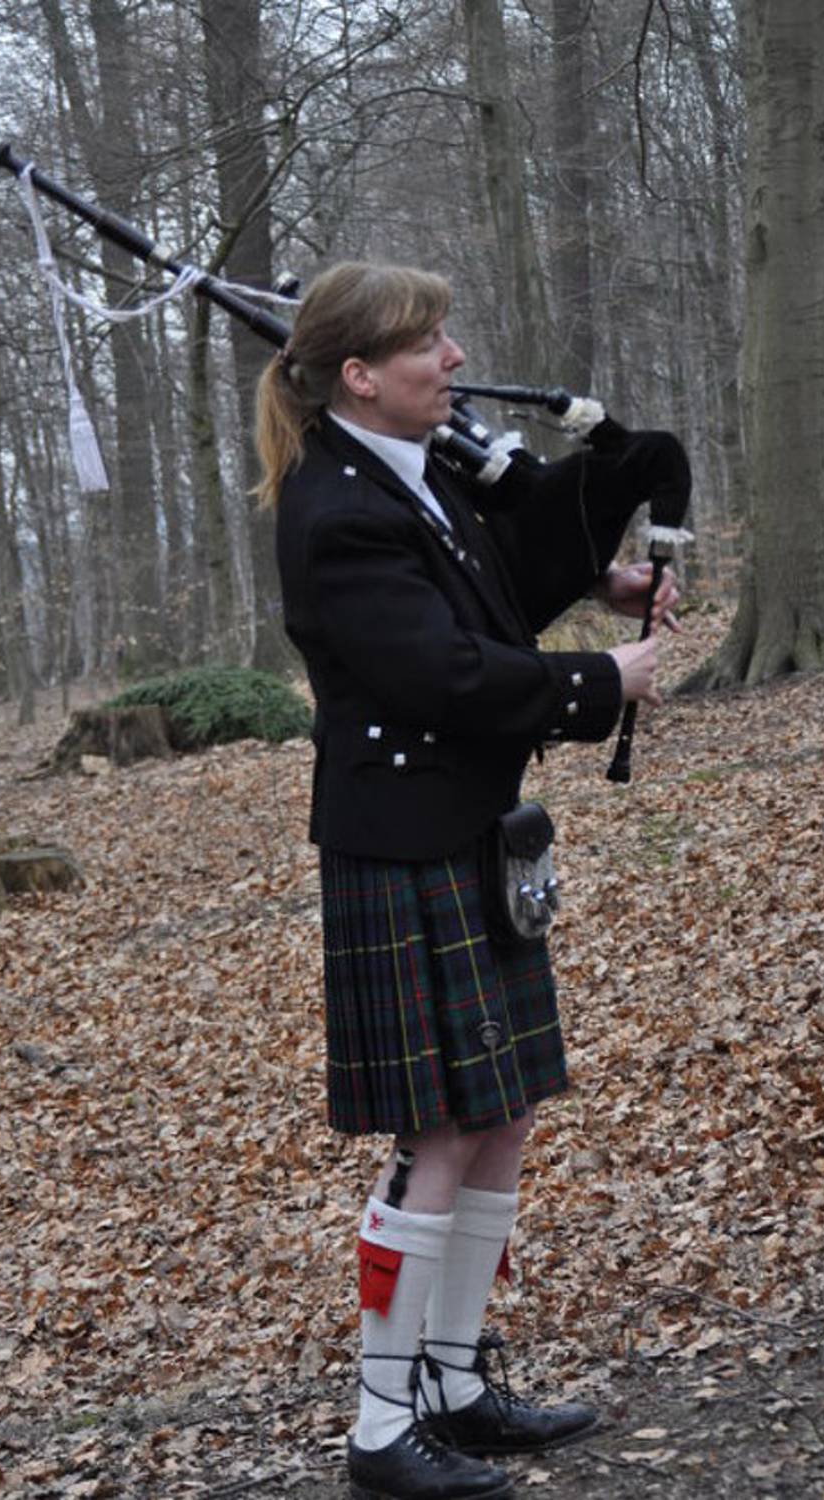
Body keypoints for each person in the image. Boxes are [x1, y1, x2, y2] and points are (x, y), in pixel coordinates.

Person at [255, 262, 685, 1500]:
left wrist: (593, 584)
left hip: (469, 825)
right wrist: (598, 681)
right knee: (437, 1129)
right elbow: (436, 673)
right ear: (357, 375)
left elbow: (478, 590)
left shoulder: (415, 465)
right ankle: (381, 1425)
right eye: (426, 343)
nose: (452, 359)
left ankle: (451, 1382)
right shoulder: (333, 510)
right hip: (402, 842)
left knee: (501, 1111)